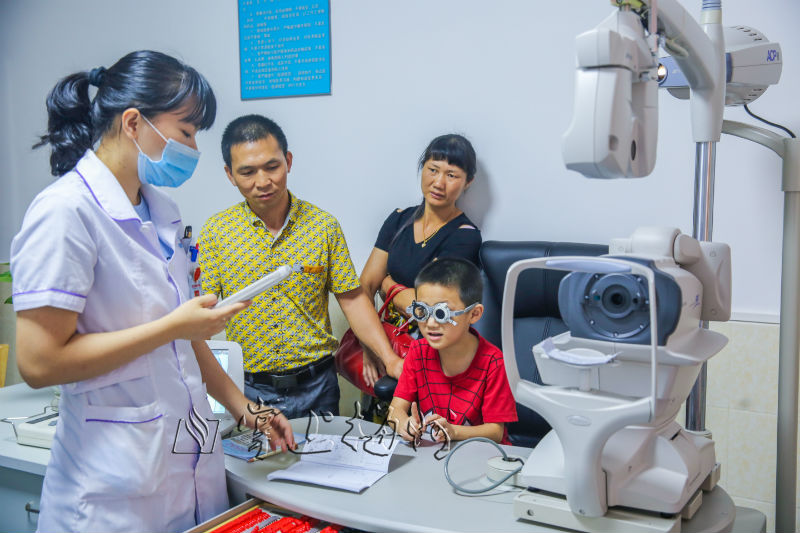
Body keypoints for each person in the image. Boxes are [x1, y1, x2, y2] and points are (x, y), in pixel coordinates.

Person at [10, 51, 295, 533]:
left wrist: (244, 407)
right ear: (134, 123)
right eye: (186, 132)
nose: (193, 147)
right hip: (113, 491)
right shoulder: (66, 212)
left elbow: (186, 339)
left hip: (186, 465)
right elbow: (39, 363)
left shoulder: (161, 211)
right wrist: (173, 326)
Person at [198, 114, 400, 419]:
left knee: (324, 465)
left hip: (317, 387)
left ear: (288, 161)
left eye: (272, 166)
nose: (263, 181)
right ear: (229, 174)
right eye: (247, 172)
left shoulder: (323, 227)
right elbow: (203, 316)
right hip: (250, 391)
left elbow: (353, 298)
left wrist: (389, 357)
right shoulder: (216, 232)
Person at [359, 134, 482, 386]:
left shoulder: (465, 237)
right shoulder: (398, 220)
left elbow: (428, 309)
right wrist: (369, 347)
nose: (438, 182)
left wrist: (388, 285)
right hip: (384, 342)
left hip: (432, 355)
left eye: (452, 175)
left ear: (468, 181)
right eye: (433, 170)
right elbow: (365, 287)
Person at [388, 258, 518, 445]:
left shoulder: (493, 362)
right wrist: (403, 423)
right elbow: (395, 409)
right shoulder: (418, 351)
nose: (431, 323)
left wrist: (453, 430)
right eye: (423, 311)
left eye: (442, 314)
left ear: (474, 314)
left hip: (481, 457)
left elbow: (495, 432)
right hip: (434, 454)